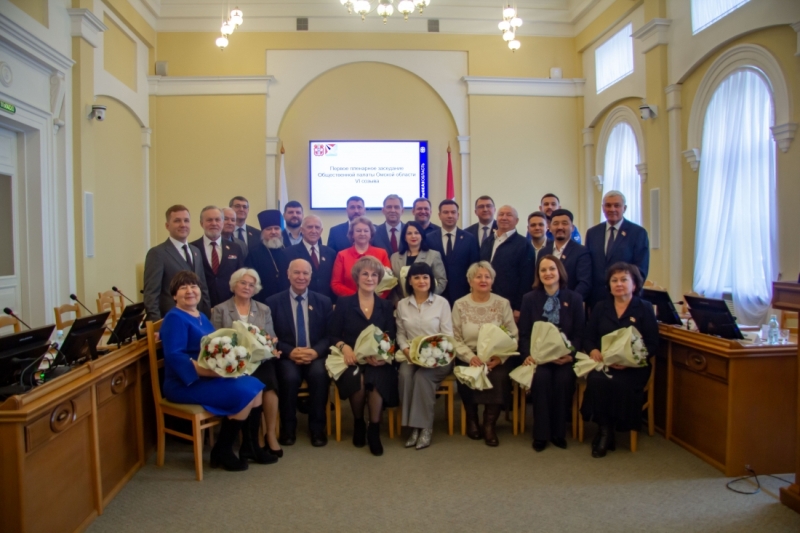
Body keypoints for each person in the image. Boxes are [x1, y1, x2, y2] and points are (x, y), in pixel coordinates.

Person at [160, 270, 268, 471]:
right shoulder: (174, 318)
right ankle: (223, 450)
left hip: (206, 377)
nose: (190, 291)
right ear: (174, 295)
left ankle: (250, 446)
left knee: (256, 386)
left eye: (193, 286)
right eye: (183, 288)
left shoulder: (200, 315)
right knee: (244, 392)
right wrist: (214, 373)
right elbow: (175, 356)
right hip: (185, 382)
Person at [581, 262, 658, 458]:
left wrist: (629, 360)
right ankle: (605, 430)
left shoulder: (644, 308)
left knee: (619, 383)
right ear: (609, 285)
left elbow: (653, 343)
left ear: (634, 284)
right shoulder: (601, 307)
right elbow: (588, 337)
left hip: (634, 366)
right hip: (605, 363)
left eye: (624, 280)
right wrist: (593, 350)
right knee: (596, 380)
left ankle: (612, 429)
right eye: (614, 280)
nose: (619, 284)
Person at [328, 256, 398, 456]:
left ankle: (373, 428)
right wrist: (345, 348)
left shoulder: (386, 305)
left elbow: (391, 336)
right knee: (357, 379)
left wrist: (383, 356)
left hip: (378, 359)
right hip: (351, 358)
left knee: (376, 379)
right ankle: (359, 422)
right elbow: (333, 334)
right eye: (365, 274)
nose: (369, 278)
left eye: (374, 275)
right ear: (357, 277)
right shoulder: (344, 303)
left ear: (379, 279)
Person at [210, 268, 279, 463]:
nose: (247, 287)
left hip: (258, 361)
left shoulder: (263, 309)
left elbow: (271, 338)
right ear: (234, 285)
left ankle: (265, 436)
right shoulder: (220, 309)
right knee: (249, 385)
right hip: (232, 363)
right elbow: (214, 343)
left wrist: (270, 347)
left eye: (251, 284)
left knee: (269, 381)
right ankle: (251, 443)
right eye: (243, 283)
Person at [518, 255, 585, 452]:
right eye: (543, 270)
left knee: (563, 381)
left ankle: (558, 432)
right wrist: (527, 355)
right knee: (541, 379)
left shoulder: (574, 299)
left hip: (565, 358)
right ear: (538, 274)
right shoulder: (529, 299)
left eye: (552, 269)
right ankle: (541, 434)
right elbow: (524, 333)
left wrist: (571, 355)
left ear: (559, 272)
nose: (548, 273)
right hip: (538, 359)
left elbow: (580, 334)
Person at [267, 259, 334, 448]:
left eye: (305, 273)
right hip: (287, 355)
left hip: (315, 354)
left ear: (311, 276)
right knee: (289, 378)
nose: (301, 277)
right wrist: (290, 352)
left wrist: (315, 351)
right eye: (296, 272)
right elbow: (270, 336)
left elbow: (330, 335)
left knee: (319, 375)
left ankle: (317, 429)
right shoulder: (273, 302)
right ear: (288, 274)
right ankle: (288, 429)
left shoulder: (323, 301)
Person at [452, 261, 518, 446]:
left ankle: (489, 424)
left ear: (492, 280)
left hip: (494, 357)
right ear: (470, 281)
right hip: (469, 355)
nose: (483, 280)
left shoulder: (502, 303)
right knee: (466, 374)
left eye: (487, 277)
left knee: (499, 376)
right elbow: (454, 337)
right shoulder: (459, 304)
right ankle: (472, 419)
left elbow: (513, 334)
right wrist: (470, 357)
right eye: (478, 276)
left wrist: (500, 358)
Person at [395, 262, 453, 450]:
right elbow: (400, 334)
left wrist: (432, 356)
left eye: (425, 277)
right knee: (405, 375)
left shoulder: (442, 303)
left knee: (422, 377)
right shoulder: (402, 305)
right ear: (410, 281)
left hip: (439, 357)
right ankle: (413, 427)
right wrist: (406, 350)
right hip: (411, 356)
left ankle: (425, 427)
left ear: (431, 280)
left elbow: (448, 336)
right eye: (417, 277)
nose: (422, 281)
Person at [143, 205, 211, 321]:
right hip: (172, 319)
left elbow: (203, 287)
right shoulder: (157, 253)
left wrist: (206, 317)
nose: (183, 225)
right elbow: (151, 293)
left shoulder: (196, 251)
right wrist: (156, 325)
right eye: (177, 221)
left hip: (197, 318)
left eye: (186, 220)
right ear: (167, 226)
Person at [585, 191, 650, 307]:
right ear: (603, 208)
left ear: (624, 208)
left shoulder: (638, 233)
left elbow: (640, 269)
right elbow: (587, 266)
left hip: (625, 298)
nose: (612, 209)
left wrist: (630, 290)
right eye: (608, 205)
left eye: (617, 205)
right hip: (597, 299)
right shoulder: (592, 233)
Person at [479, 205, 535, 319]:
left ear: (517, 221)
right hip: (485, 300)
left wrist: (519, 307)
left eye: (509, 215)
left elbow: (527, 279)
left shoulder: (524, 244)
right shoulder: (487, 241)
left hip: (510, 305)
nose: (504, 218)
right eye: (501, 214)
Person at [427, 199, 481, 306]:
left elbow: (474, 266)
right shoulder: (429, 238)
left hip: (463, 293)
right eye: (446, 212)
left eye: (453, 212)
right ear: (439, 215)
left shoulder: (469, 238)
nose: (450, 215)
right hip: (436, 294)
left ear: (458, 215)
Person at [191, 206, 245, 308]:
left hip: (229, 306)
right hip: (200, 305)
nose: (214, 223)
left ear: (222, 222)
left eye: (217, 220)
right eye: (209, 220)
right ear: (201, 223)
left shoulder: (235, 248)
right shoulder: (193, 248)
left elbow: (240, 277)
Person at [330, 216, 391, 297]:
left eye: (366, 231)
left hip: (377, 301)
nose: (362, 233)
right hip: (349, 301)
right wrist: (358, 297)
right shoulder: (342, 255)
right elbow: (336, 284)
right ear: (352, 234)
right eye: (358, 231)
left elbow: (388, 282)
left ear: (371, 234)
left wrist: (375, 299)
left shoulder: (382, 253)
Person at [540, 209, 592, 302]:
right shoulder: (543, 252)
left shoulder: (581, 251)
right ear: (550, 227)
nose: (560, 227)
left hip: (571, 305)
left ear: (572, 227)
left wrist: (568, 302)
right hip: (546, 304)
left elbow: (584, 283)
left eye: (564, 223)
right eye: (555, 223)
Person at [389, 221, 447, 301]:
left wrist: (427, 298)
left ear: (422, 236)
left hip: (428, 302)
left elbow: (441, 281)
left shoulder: (433, 255)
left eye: (416, 233)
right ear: (404, 237)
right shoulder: (394, 257)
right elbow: (392, 284)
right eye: (409, 233)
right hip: (401, 303)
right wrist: (397, 302)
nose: (413, 236)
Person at [284, 215, 337, 302]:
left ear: (321, 231)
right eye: (309, 227)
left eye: (317, 227)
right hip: (300, 301)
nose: (314, 231)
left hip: (326, 303)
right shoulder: (289, 253)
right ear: (302, 230)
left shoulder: (331, 253)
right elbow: (285, 281)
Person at [246, 209, 290, 303]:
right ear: (262, 232)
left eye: (276, 228)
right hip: (263, 300)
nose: (273, 232)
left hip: (287, 300)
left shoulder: (288, 249)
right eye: (269, 229)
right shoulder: (254, 253)